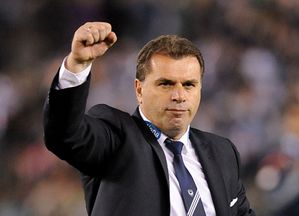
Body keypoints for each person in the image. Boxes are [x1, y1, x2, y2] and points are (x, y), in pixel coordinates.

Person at [43, 21, 255, 216]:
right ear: (139, 89)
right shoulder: (117, 138)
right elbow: (65, 135)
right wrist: (77, 65)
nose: (179, 96)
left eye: (189, 84)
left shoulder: (223, 152)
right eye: (166, 84)